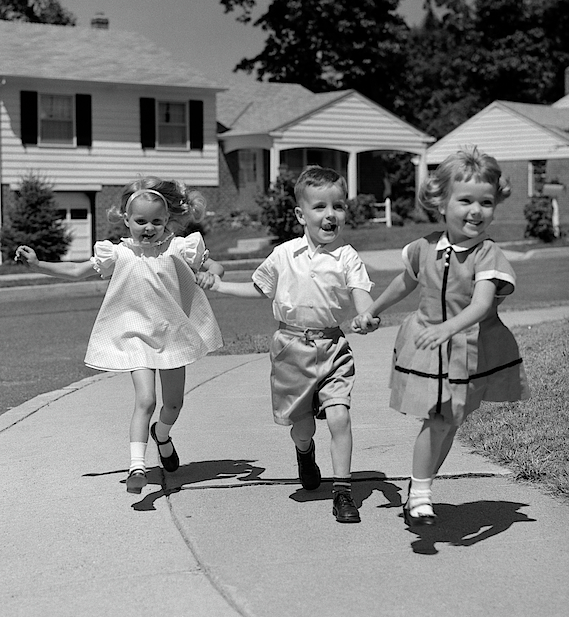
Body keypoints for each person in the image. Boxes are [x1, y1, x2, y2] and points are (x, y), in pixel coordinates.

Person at [352, 147, 529, 526]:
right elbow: (405, 282)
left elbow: (482, 304)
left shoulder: (487, 254)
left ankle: (420, 489)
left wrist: (449, 328)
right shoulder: (423, 247)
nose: (476, 211)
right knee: (439, 419)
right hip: (428, 345)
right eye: (465, 200)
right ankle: (419, 495)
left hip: (468, 348)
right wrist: (372, 310)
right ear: (440, 202)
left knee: (448, 421)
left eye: (486, 201)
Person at [15, 176, 224, 494]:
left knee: (173, 405)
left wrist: (211, 275)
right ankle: (136, 466)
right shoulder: (118, 254)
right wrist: (37, 264)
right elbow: (76, 270)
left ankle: (162, 435)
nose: (149, 227)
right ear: (127, 220)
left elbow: (217, 267)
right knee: (146, 399)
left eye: (156, 220)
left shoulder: (179, 248)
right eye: (141, 221)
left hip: (171, 336)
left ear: (167, 220)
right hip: (135, 336)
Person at [206, 166, 378, 523]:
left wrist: (366, 316)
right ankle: (305, 451)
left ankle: (342, 492)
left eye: (339, 206)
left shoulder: (347, 257)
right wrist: (219, 286)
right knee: (303, 429)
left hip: (333, 348)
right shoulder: (284, 255)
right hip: (290, 349)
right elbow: (259, 288)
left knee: (340, 416)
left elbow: (362, 297)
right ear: (301, 214)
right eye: (320, 207)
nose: (331, 214)